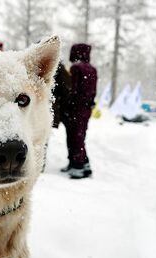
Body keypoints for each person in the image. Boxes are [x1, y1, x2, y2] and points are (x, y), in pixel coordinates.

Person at [63, 43, 97, 179]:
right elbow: (93, 91)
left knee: (74, 137)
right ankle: (84, 164)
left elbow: (72, 91)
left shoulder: (76, 68)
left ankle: (77, 166)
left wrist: (66, 106)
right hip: (86, 109)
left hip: (75, 109)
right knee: (80, 137)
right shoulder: (93, 69)